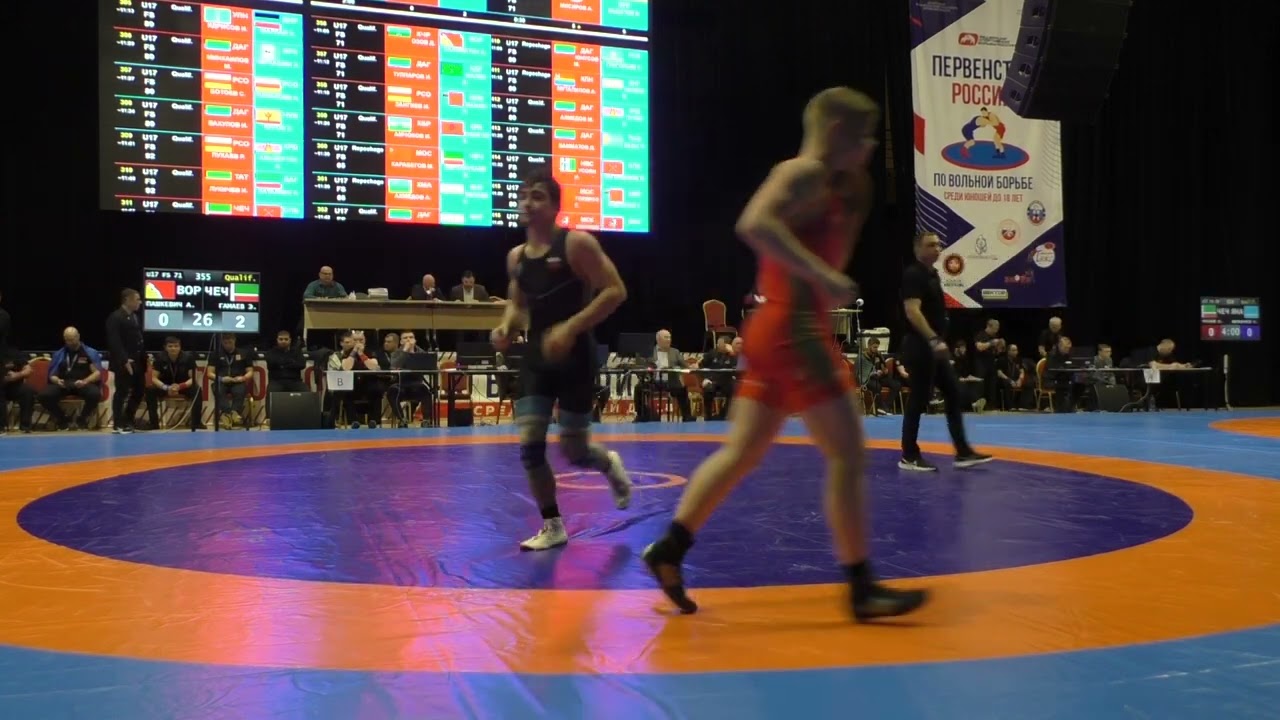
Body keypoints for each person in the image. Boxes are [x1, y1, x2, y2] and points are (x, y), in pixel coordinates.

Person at [641, 87, 927, 621]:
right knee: (848, 453)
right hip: (794, 331)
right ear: (837, 132)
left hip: (775, 327)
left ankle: (669, 549)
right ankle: (861, 587)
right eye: (864, 136)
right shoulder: (803, 172)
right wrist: (823, 275)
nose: (870, 148)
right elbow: (753, 223)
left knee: (742, 451)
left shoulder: (838, 183)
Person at [491, 168, 632, 551]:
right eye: (523, 195)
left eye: (537, 196)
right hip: (537, 356)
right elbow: (518, 303)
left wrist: (570, 328)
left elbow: (615, 291)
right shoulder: (517, 258)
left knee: (575, 451)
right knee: (530, 447)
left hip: (576, 357)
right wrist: (506, 326)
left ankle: (609, 465)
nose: (527, 202)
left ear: (555, 206)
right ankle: (553, 525)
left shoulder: (576, 244)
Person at [898, 230, 993, 471]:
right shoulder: (914, 274)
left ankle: (963, 452)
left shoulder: (933, 275)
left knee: (953, 393)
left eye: (939, 244)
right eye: (931, 245)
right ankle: (909, 455)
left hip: (934, 346)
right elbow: (912, 311)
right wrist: (932, 338)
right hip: (920, 345)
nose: (937, 248)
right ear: (918, 249)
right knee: (919, 399)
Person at [106, 288, 146, 434]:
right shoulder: (115, 317)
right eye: (137, 299)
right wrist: (124, 360)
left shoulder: (134, 317)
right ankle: (118, 424)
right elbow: (114, 341)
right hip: (124, 362)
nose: (140, 302)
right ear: (127, 300)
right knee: (122, 392)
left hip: (138, 361)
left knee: (139, 391)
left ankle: (128, 419)